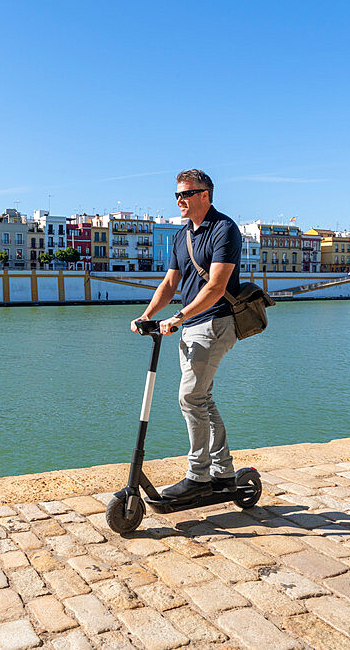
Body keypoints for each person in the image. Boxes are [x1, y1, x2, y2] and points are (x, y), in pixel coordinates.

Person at [130, 169, 242, 500]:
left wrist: (178, 317)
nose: (180, 200)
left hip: (216, 323)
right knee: (202, 397)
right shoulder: (182, 236)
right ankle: (224, 471)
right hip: (191, 326)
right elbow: (169, 283)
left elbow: (217, 286)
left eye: (187, 194)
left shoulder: (224, 229)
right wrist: (147, 315)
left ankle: (199, 477)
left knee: (190, 397)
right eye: (177, 195)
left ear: (205, 195)